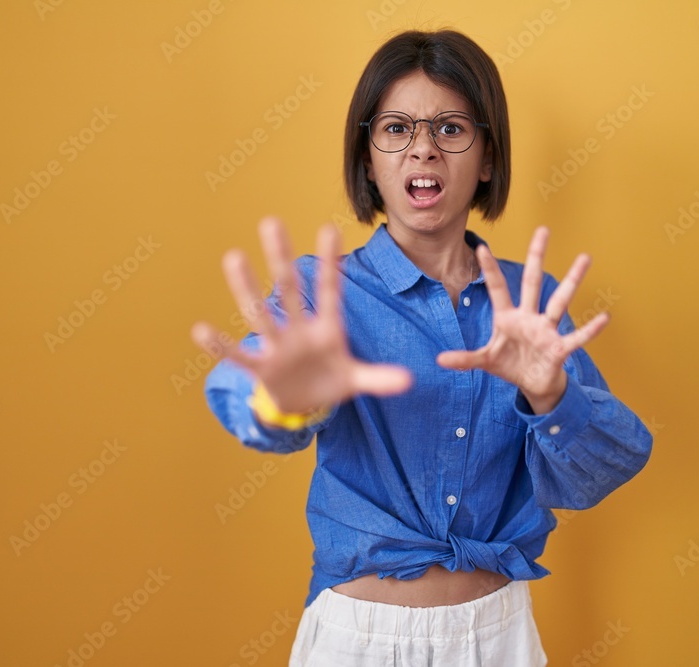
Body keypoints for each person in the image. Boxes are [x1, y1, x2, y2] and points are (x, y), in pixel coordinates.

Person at [192, 29, 653, 666]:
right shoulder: (323, 293)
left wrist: (550, 395)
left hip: (498, 637)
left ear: (488, 157)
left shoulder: (530, 304)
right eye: (397, 128)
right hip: (358, 639)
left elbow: (599, 472)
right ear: (368, 157)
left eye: (451, 128)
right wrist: (280, 399)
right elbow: (242, 394)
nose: (423, 149)